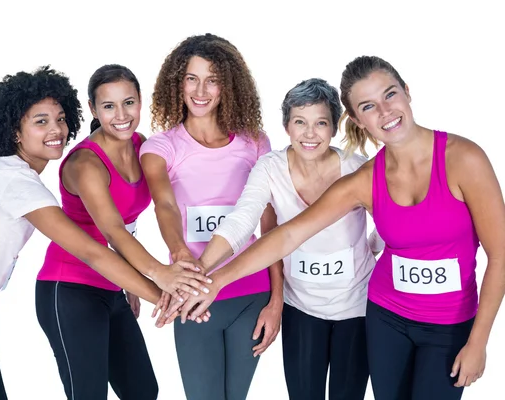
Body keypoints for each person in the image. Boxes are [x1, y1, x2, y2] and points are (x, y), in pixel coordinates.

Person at [173, 55, 505, 400]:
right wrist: (216, 279)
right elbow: (287, 235)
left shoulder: (465, 159)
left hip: (443, 324)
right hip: (385, 317)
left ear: (406, 91)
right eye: (368, 106)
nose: (385, 112)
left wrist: (479, 341)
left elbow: (500, 255)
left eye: (390, 95)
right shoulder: (364, 179)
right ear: (358, 120)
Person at [0, 66, 177, 400]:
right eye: (40, 121)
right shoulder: (13, 183)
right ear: (15, 131)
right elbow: (92, 251)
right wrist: (165, 294)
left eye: (60, 119)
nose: (56, 130)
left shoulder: (10, 172)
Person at [179, 78, 383, 400]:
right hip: (300, 307)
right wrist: (201, 272)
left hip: (355, 308)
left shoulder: (357, 169)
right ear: (286, 125)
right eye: (300, 122)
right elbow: (243, 220)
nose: (310, 134)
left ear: (333, 128)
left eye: (321, 123)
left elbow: (389, 225)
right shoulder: (270, 167)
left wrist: (371, 247)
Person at [35, 64, 211, 400]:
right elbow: (114, 231)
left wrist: (133, 277)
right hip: (70, 289)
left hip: (112, 285)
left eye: (128, 103)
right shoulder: (85, 164)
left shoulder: (140, 144)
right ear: (92, 109)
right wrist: (162, 279)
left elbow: (142, 218)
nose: (121, 115)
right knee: (88, 394)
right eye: (108, 106)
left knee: (142, 390)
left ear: (141, 101)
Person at [141, 33, 281, 400]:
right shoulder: (161, 147)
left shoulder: (255, 142)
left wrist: (276, 301)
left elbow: (271, 228)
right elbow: (165, 205)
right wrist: (179, 253)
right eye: (191, 78)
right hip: (195, 294)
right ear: (178, 83)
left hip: (252, 293)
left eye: (212, 79)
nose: (200, 90)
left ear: (228, 86)